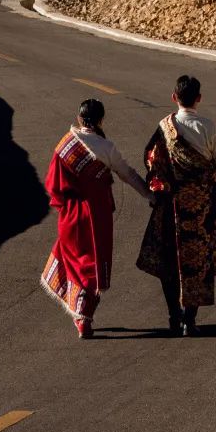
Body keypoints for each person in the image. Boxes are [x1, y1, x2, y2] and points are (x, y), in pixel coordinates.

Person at [41, 98, 148, 339]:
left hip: (70, 216)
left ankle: (79, 314)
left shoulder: (65, 145)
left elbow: (53, 185)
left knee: (74, 263)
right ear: (101, 120)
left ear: (79, 118)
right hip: (97, 216)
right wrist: (149, 196)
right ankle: (83, 317)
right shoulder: (106, 147)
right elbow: (127, 174)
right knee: (92, 267)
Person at [137, 73, 216, 336]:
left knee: (170, 261)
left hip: (172, 207)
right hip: (202, 209)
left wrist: (156, 191)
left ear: (174, 98)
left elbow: (151, 161)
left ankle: (173, 315)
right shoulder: (208, 127)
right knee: (198, 262)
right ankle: (188, 321)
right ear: (199, 99)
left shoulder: (164, 127)